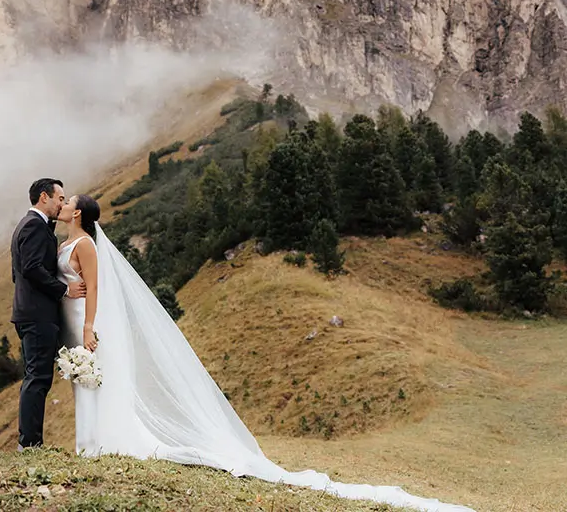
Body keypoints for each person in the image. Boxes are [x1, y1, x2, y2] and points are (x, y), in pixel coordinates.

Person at [54, 193, 475, 512]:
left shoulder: (86, 246)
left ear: (77, 213)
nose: (65, 203)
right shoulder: (65, 244)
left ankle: (105, 440)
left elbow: (98, 291)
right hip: (70, 317)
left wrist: (90, 325)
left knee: (98, 377)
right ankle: (89, 441)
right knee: (86, 380)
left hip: (86, 320)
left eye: (68, 201)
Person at [10, 178, 85, 451]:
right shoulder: (34, 226)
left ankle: (30, 442)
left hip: (29, 311)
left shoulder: (29, 225)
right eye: (59, 198)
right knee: (38, 378)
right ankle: (30, 444)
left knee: (36, 376)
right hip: (37, 314)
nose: (62, 203)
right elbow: (30, 268)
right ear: (44, 197)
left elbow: (18, 270)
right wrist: (64, 289)